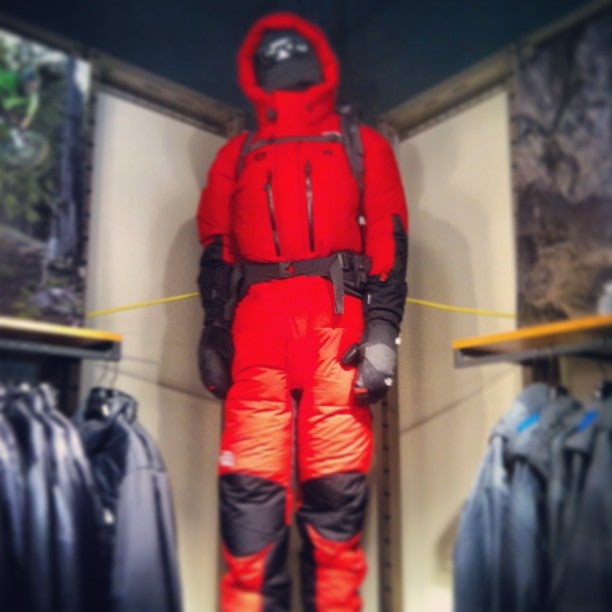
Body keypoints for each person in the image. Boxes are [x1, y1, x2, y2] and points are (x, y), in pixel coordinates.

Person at [196, 12, 408, 611]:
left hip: (336, 334)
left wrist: (383, 330)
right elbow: (218, 250)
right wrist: (213, 330)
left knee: (336, 504)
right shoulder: (237, 155)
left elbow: (389, 237)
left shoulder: (361, 146)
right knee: (249, 505)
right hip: (257, 335)